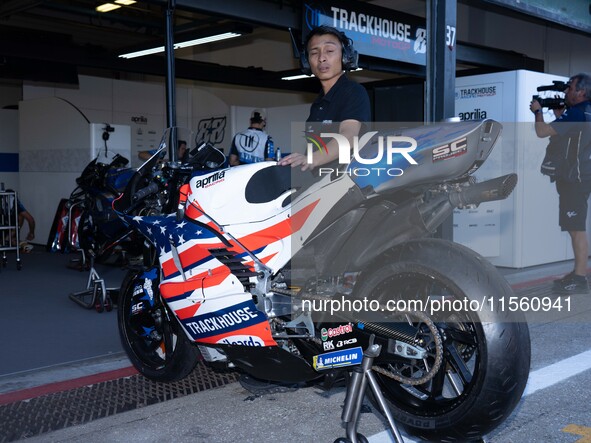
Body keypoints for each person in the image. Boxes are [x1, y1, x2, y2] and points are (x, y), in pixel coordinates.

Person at [278, 25, 371, 172]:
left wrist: (312, 159)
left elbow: (348, 135)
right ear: (307, 61)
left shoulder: (353, 92)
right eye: (314, 53)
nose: (321, 58)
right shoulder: (318, 104)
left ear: (345, 56)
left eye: (330, 51)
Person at [530, 72, 591, 294]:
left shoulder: (576, 112)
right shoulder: (584, 111)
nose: (566, 92)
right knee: (575, 228)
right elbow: (573, 137)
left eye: (570, 88)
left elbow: (542, 131)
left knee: (576, 230)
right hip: (581, 175)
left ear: (581, 91)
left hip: (574, 179)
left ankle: (580, 278)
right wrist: (560, 115)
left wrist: (538, 112)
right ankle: (577, 272)